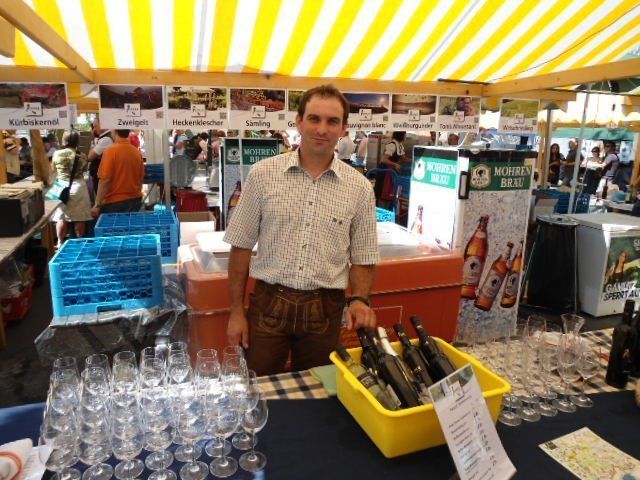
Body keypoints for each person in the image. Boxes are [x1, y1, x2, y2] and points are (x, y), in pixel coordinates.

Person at [223, 84, 378, 376]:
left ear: (344, 128)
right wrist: (236, 311)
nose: (322, 129)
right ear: (299, 122)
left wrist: (359, 299)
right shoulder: (263, 174)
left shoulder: (359, 188)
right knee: (259, 387)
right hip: (268, 305)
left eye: (332, 121)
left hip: (325, 310)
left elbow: (363, 256)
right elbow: (240, 246)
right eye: (314, 119)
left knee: (319, 391)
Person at [51, 131, 92, 248]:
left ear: (64, 140)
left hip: (60, 186)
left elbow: (53, 169)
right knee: (80, 218)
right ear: (77, 141)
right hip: (78, 187)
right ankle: (79, 242)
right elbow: (85, 170)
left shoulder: (56, 153)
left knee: (61, 217)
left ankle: (59, 242)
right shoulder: (82, 155)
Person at [92, 129, 144, 217]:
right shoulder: (136, 152)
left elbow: (105, 180)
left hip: (114, 202)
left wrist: (97, 204)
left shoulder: (110, 151)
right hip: (135, 200)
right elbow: (141, 178)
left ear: (115, 132)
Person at [88, 119, 114, 198]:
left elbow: (90, 156)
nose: (94, 129)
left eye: (95, 126)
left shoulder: (106, 139)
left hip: (102, 176)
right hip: (100, 174)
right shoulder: (104, 138)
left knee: (101, 197)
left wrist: (92, 146)